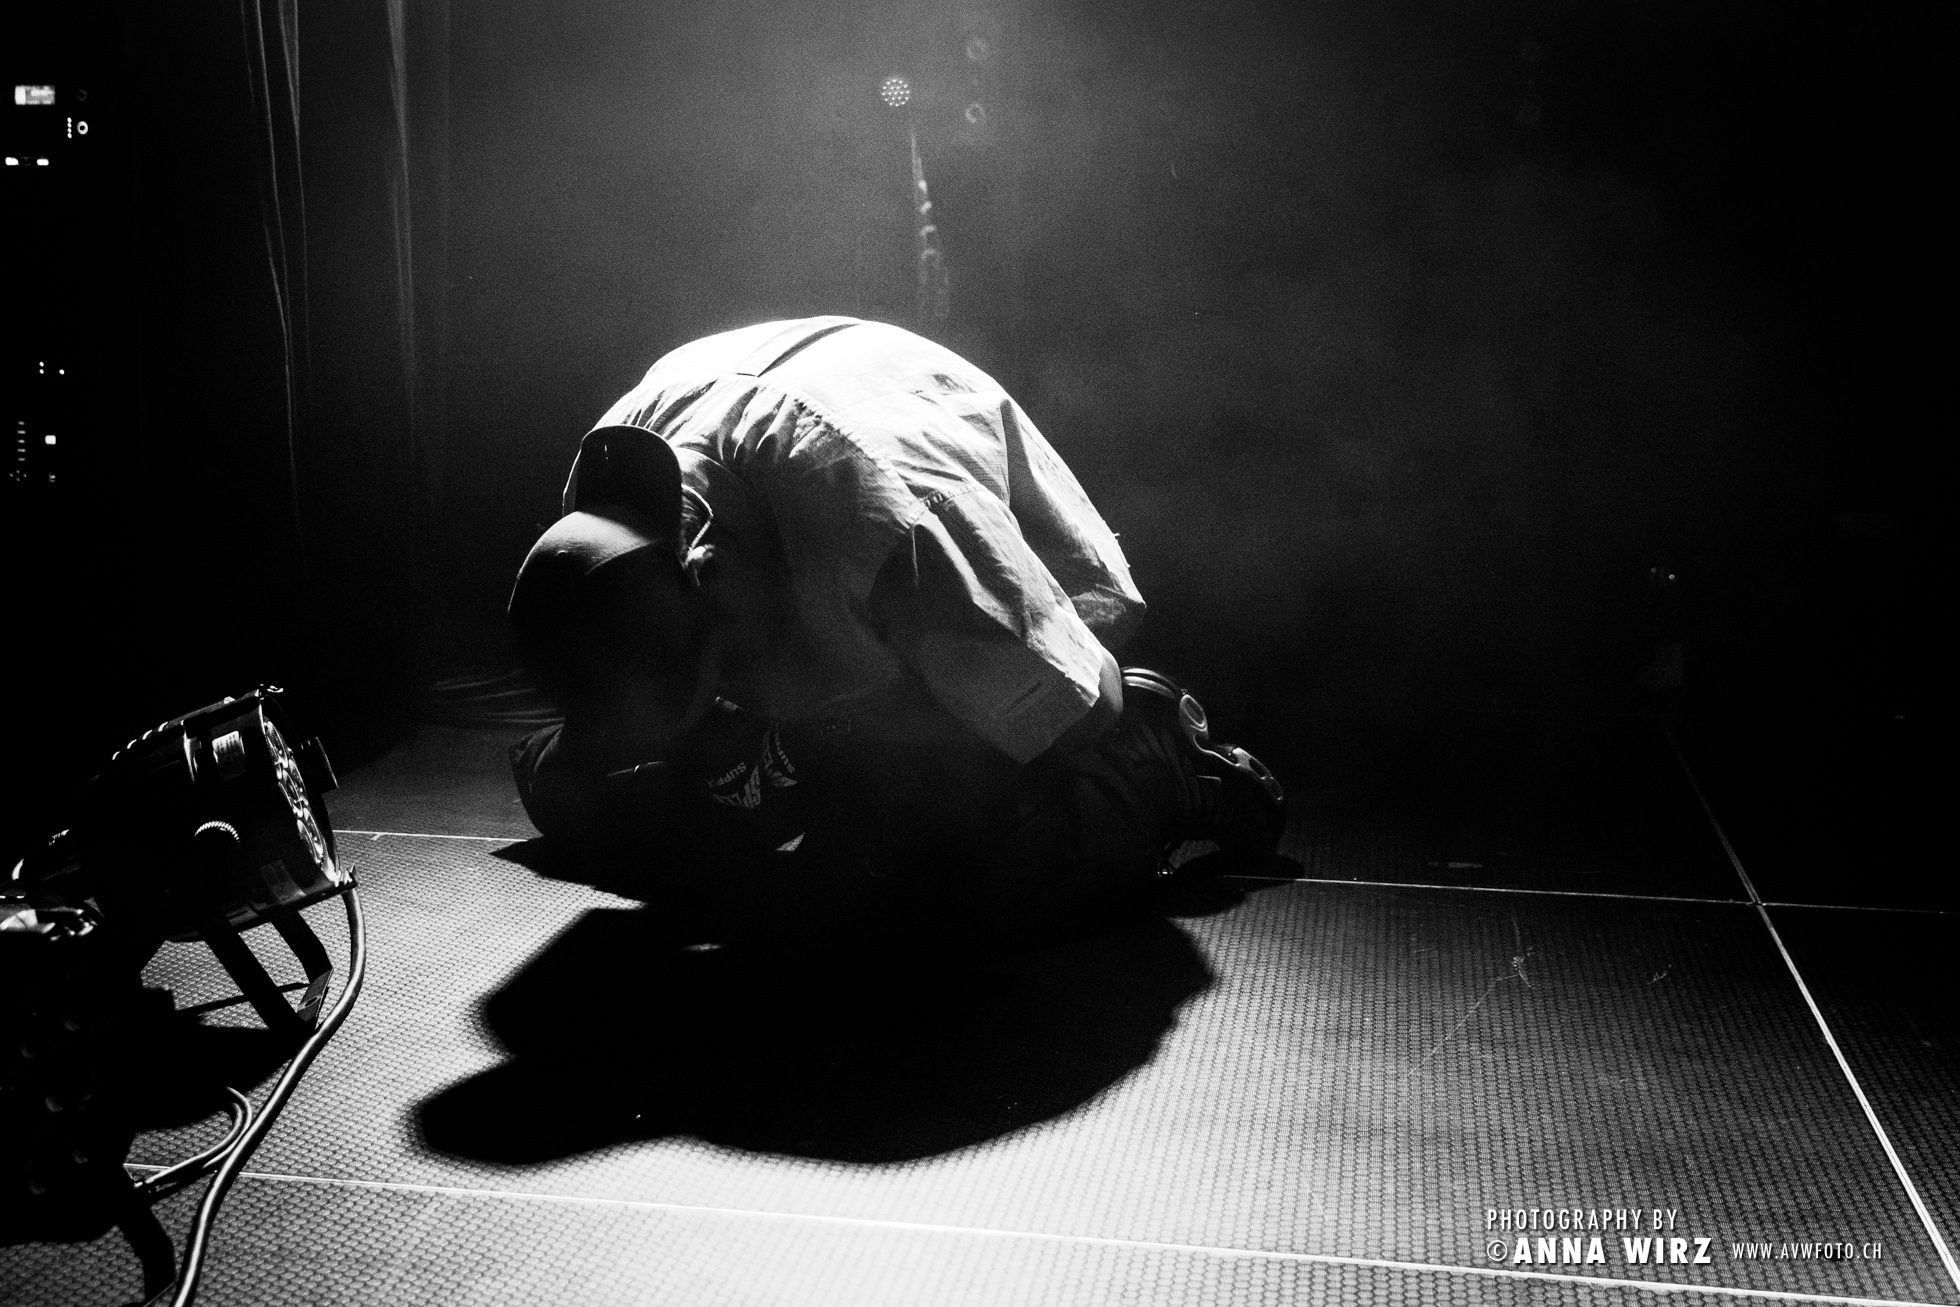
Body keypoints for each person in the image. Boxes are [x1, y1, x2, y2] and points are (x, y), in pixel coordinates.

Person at [507, 317, 1283, 962]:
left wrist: (847, 750)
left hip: (944, 606)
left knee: (945, 886)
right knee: (579, 796)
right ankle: (806, 768)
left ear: (710, 574)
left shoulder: (896, 537)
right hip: (804, 540)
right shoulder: (610, 489)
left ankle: (1153, 768)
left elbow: (1088, 704)